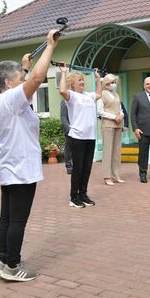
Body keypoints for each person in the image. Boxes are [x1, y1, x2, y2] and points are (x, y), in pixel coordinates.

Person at [0, 29, 58, 282]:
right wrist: (50, 46)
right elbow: (38, 79)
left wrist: (24, 68)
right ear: (8, 83)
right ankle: (13, 267)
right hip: (20, 167)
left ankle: (4, 258)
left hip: (9, 165)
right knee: (17, 219)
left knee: (7, 217)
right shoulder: (12, 100)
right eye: (20, 78)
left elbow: (29, 79)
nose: (24, 80)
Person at [59, 64, 101, 208]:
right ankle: (73, 197)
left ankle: (83, 194)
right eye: (79, 81)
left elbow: (99, 94)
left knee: (87, 167)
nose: (82, 83)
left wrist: (97, 80)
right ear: (72, 83)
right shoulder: (72, 96)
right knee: (78, 168)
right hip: (77, 136)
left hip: (90, 137)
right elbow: (62, 90)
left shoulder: (88, 95)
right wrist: (64, 73)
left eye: (82, 80)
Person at [97, 74, 125, 186]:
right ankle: (107, 176)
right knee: (108, 151)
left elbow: (120, 108)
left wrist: (121, 115)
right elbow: (99, 111)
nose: (114, 84)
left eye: (115, 82)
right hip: (108, 124)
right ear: (106, 83)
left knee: (117, 151)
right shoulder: (102, 95)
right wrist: (114, 117)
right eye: (112, 82)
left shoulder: (116, 94)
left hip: (118, 125)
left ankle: (116, 175)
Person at [60, 100, 73, 174]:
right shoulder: (64, 102)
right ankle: (69, 166)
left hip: (77, 130)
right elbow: (63, 117)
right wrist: (69, 130)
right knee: (68, 148)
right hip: (69, 130)